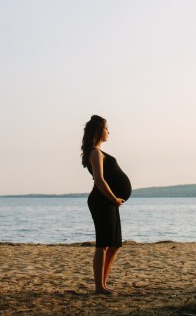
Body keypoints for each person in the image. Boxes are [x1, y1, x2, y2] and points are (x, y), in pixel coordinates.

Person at [81, 114, 131, 294]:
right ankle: (99, 287)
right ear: (98, 130)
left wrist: (114, 200)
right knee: (103, 244)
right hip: (102, 201)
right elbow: (100, 181)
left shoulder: (98, 152)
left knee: (115, 244)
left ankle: (103, 283)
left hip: (109, 202)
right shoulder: (95, 152)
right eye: (106, 128)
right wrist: (114, 198)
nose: (109, 131)